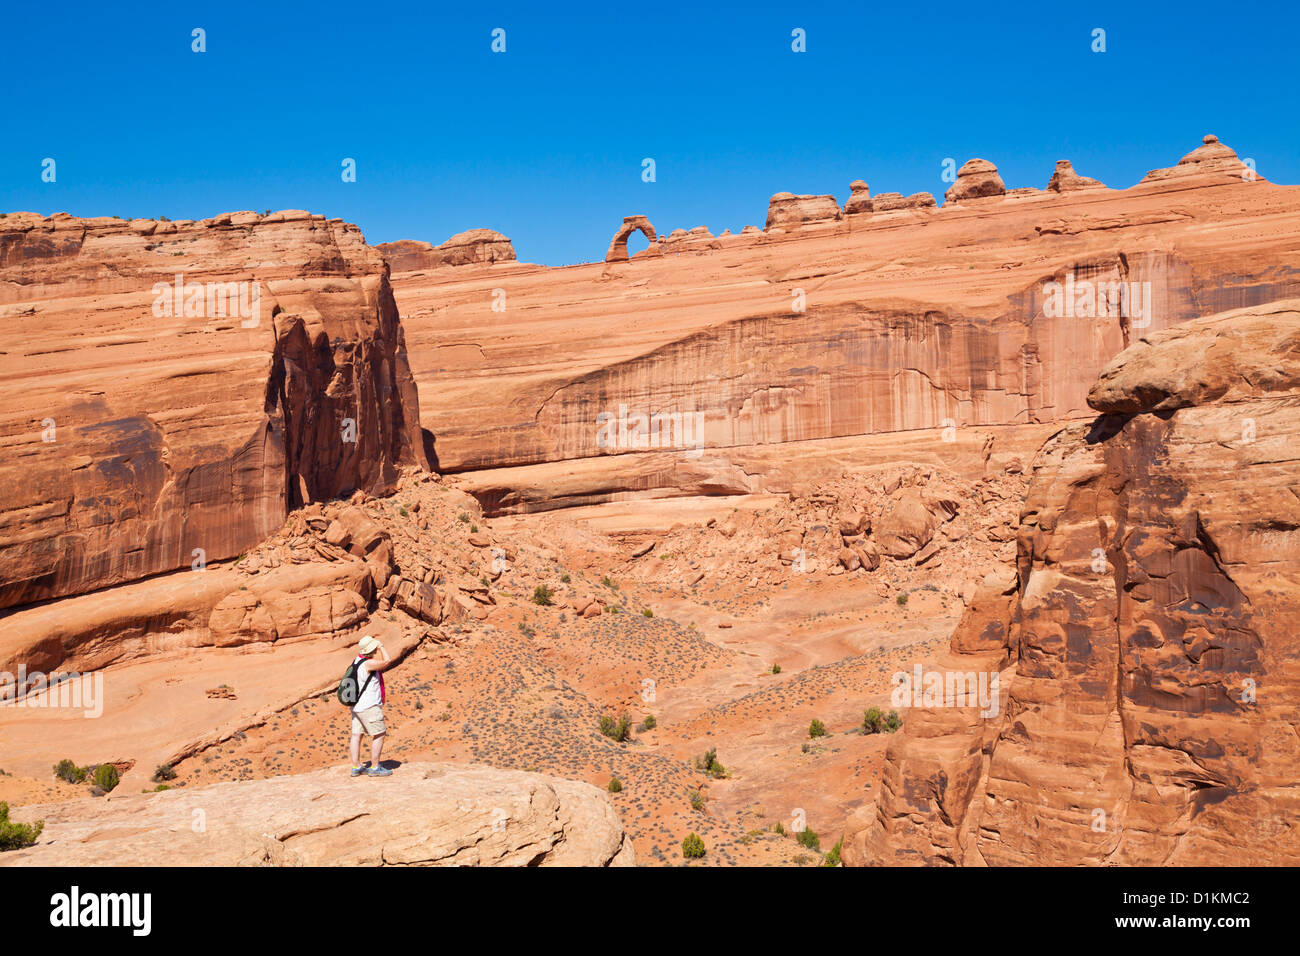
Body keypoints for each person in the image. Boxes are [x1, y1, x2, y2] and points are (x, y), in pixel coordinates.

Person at [349, 635, 394, 777]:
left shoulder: (357, 661)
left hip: (357, 706)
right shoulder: (368, 664)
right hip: (369, 705)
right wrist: (381, 646)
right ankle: (375, 768)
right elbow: (387, 661)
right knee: (379, 733)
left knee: (357, 735)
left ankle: (356, 767)